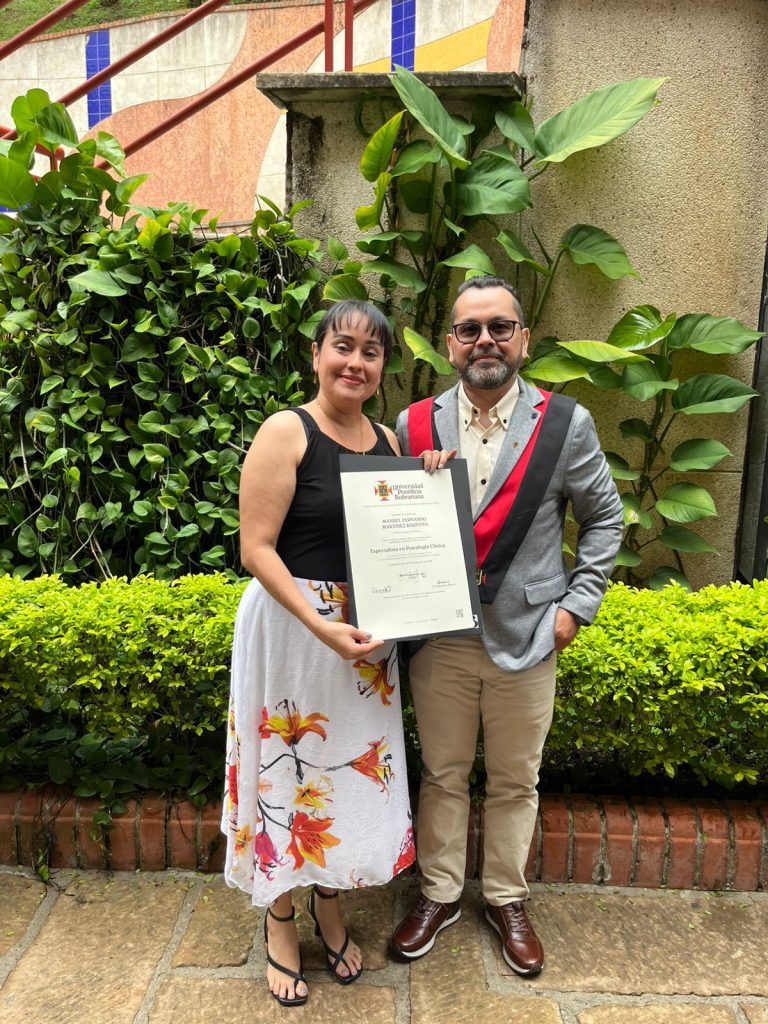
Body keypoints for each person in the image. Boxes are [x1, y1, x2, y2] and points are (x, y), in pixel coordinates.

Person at [392, 276, 623, 975]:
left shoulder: (566, 424)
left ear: (523, 338)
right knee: (442, 773)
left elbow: (605, 519)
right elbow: (392, 529)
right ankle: (438, 893)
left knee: (517, 780)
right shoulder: (413, 425)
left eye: (499, 327)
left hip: (530, 635)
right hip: (441, 640)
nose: (484, 341)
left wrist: (575, 607)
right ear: (450, 345)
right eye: (470, 329)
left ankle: (505, 897)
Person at [221, 299, 449, 1007]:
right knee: (287, 768)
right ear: (317, 353)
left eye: (371, 352)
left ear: (382, 367)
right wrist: (319, 621)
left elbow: (403, 537)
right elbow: (255, 548)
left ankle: (329, 900)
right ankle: (280, 915)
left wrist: (429, 478)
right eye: (342, 346)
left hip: (364, 641)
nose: (355, 362)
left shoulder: (387, 441)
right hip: (294, 633)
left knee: (346, 775)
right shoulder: (286, 431)